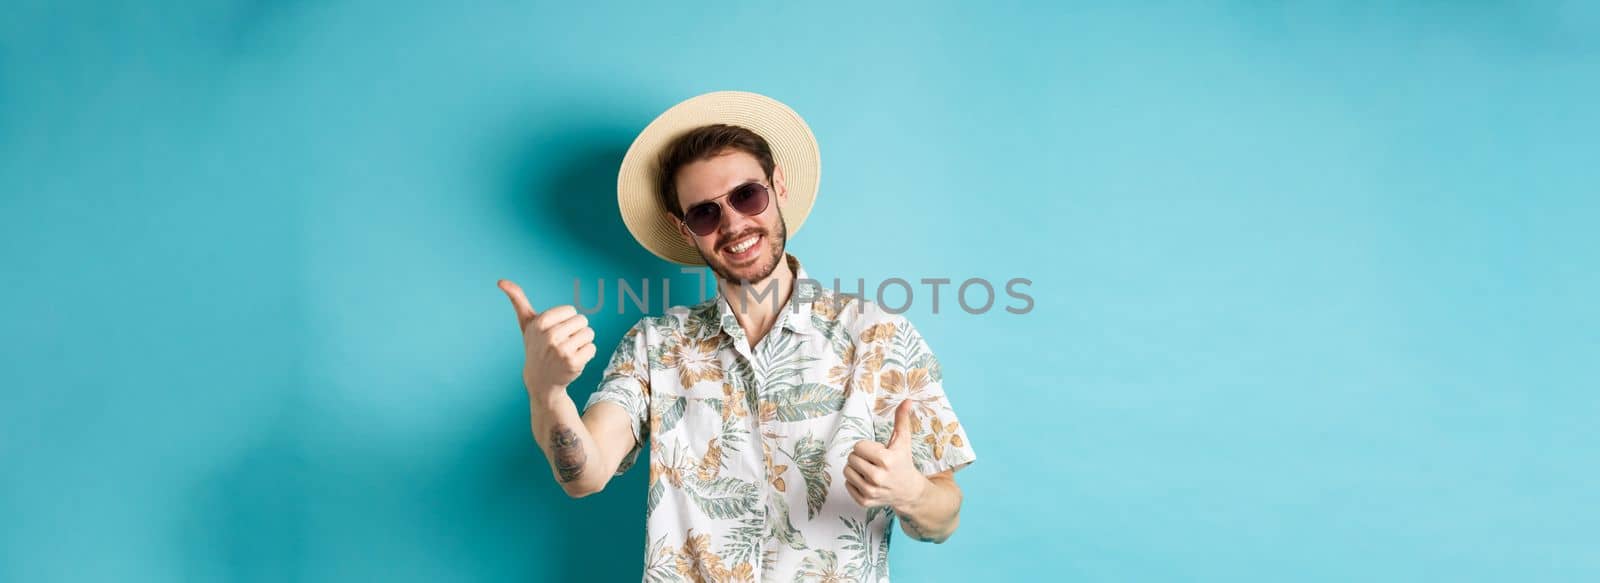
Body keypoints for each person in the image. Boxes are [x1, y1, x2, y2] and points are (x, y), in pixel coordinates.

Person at [497, 91, 977, 582]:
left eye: (748, 195)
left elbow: (944, 519)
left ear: (778, 187)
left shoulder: (878, 335)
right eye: (705, 213)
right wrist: (546, 391)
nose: (733, 223)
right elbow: (586, 474)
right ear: (683, 230)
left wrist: (910, 491)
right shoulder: (654, 347)